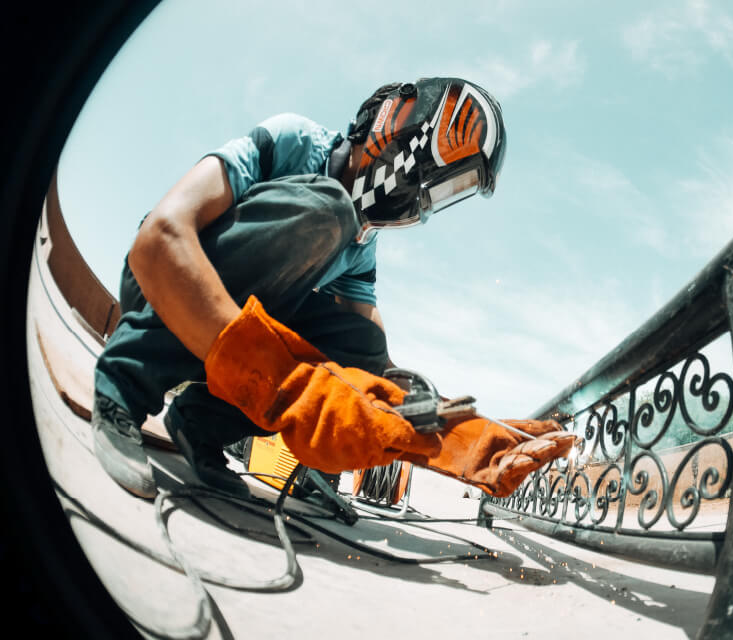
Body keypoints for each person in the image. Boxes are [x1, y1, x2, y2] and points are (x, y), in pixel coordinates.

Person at [90, 77, 575, 500]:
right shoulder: (296, 143)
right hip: (158, 290)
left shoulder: (359, 246)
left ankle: (199, 423)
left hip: (227, 334)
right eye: (441, 176)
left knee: (361, 346)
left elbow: (376, 366)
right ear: (406, 123)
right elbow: (160, 237)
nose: (429, 194)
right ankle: (124, 385)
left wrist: (455, 426)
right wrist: (279, 376)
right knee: (329, 209)